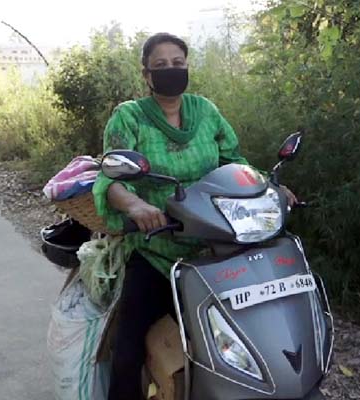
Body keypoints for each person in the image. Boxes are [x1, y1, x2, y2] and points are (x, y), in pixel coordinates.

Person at [92, 32, 297, 400]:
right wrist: (136, 206)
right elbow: (111, 179)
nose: (170, 70)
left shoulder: (206, 111)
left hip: (215, 245)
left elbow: (234, 161)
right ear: (146, 74)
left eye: (177, 63)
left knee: (241, 336)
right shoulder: (130, 117)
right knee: (129, 344)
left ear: (187, 66)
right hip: (158, 246)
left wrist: (269, 188)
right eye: (160, 66)